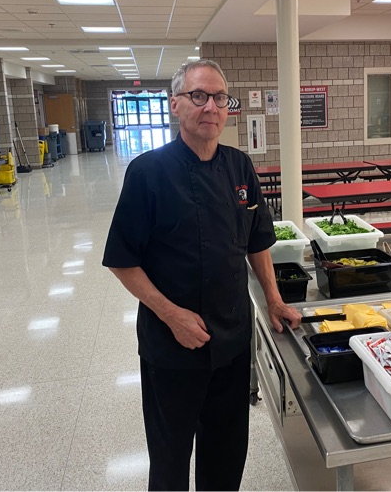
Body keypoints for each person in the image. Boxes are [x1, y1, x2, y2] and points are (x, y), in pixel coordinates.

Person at [102, 59, 302, 491]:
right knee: (170, 460)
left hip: (232, 339)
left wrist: (273, 299)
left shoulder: (240, 166)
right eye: (198, 96)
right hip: (172, 346)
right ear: (175, 105)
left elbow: (257, 242)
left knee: (226, 455)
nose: (210, 106)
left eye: (219, 97)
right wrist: (172, 315)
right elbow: (122, 260)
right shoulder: (147, 172)